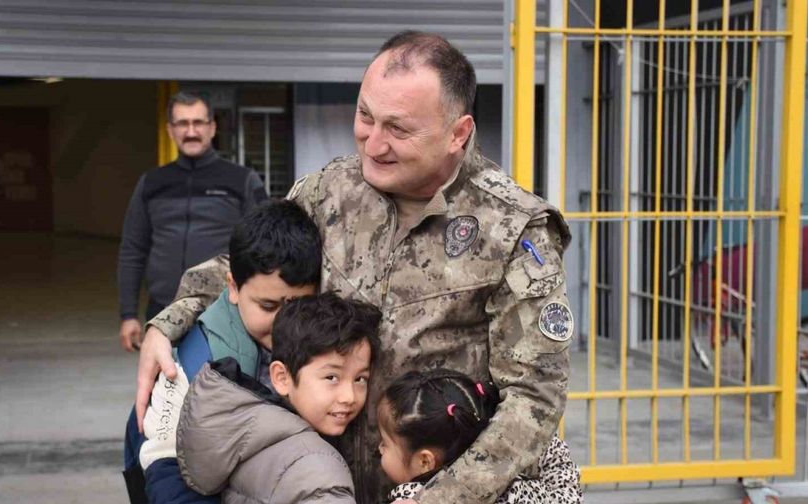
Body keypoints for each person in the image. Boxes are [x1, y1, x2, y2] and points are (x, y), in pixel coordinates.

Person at [137, 31, 573, 504]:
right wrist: (168, 321)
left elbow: (534, 399)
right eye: (365, 116)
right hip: (318, 484)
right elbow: (248, 263)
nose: (374, 143)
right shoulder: (332, 191)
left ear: (458, 133)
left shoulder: (512, 228)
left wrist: (441, 499)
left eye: (399, 129)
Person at [124, 200, 321, 504]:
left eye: (297, 306)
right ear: (232, 286)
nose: (282, 322)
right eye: (267, 306)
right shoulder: (197, 363)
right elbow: (165, 464)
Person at [175, 293, 381, 504]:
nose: (349, 396)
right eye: (331, 377)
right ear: (282, 378)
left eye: (360, 379)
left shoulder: (249, 431)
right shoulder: (319, 474)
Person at [117, 91, 268, 352]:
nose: (191, 131)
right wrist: (128, 313)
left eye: (198, 123)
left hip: (222, 310)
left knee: (221, 390)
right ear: (170, 130)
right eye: (182, 124)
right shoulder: (151, 183)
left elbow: (265, 246)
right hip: (162, 311)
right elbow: (133, 250)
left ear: (212, 127)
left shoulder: (242, 180)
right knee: (165, 389)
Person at [378, 369, 582, 504]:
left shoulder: (412, 498)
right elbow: (565, 483)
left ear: (425, 461)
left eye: (385, 443)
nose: (378, 448)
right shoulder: (529, 489)